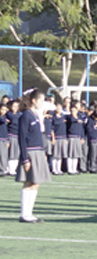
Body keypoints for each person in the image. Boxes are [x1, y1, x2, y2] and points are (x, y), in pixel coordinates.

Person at [17, 88, 50, 223]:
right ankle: (24, 214)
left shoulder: (35, 114)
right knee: (29, 182)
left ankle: (30, 213)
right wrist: (25, 159)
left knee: (36, 183)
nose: (42, 102)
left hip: (38, 151)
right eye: (41, 100)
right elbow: (22, 137)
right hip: (30, 152)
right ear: (33, 100)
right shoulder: (26, 115)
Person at [65, 101, 86, 175]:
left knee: (76, 154)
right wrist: (77, 120)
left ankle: (74, 169)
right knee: (70, 154)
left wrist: (82, 137)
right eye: (72, 111)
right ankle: (70, 169)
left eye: (74, 110)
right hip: (71, 137)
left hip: (78, 138)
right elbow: (71, 120)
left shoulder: (80, 117)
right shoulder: (69, 117)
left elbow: (82, 128)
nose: (73, 112)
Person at [84, 109, 97, 173]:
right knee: (93, 154)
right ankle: (92, 167)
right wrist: (95, 126)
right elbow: (89, 130)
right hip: (93, 138)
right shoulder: (90, 120)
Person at [6, 100, 22, 176]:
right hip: (11, 135)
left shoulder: (20, 114)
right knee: (10, 153)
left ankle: (13, 169)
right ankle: (9, 169)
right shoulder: (8, 114)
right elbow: (12, 121)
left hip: (18, 135)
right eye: (14, 106)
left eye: (17, 106)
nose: (15, 108)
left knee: (16, 153)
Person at [0, 104, 8, 176]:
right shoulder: (2, 118)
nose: (3, 111)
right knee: (1, 155)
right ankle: (2, 170)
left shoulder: (5, 117)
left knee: (4, 155)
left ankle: (3, 169)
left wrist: (7, 140)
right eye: (2, 109)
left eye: (5, 110)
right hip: (0, 138)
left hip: (4, 138)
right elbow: (2, 120)